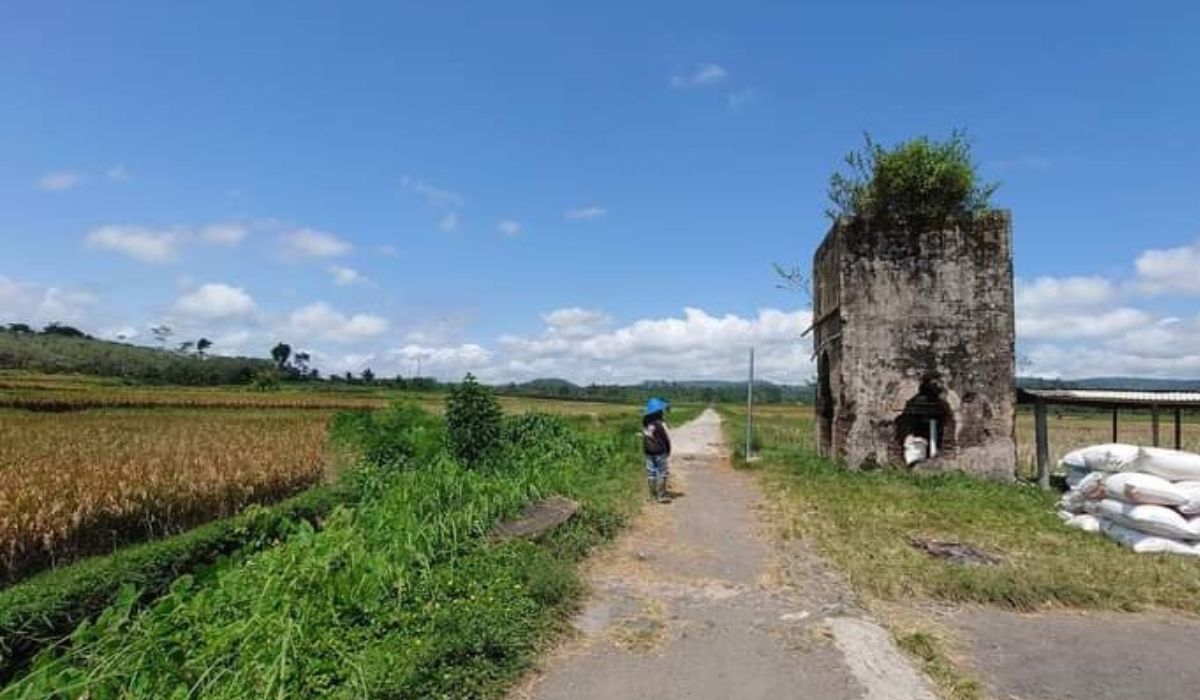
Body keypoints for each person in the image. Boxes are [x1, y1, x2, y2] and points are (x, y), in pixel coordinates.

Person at [642, 397, 671, 503]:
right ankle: (661, 495)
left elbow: (645, 436)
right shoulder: (661, 423)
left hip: (648, 451)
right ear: (659, 411)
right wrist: (668, 450)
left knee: (651, 473)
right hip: (660, 451)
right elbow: (667, 437)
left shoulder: (645, 422)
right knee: (662, 472)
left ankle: (652, 496)